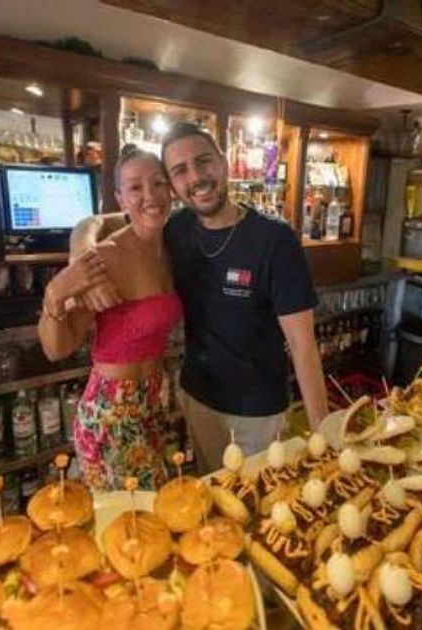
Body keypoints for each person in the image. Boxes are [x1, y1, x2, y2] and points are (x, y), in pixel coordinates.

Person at [72, 122, 328, 472]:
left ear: (223, 162)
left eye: (204, 161)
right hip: (198, 400)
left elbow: (303, 345)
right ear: (173, 186)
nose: (196, 177)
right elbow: (97, 222)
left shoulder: (275, 240)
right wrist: (81, 253)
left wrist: (323, 433)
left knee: (262, 499)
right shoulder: (175, 228)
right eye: (180, 170)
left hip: (258, 412)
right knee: (212, 498)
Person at [37, 144, 181, 490]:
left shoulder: (172, 244)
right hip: (111, 414)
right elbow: (56, 349)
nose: (150, 195)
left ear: (170, 189)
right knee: (138, 516)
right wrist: (54, 295)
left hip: (152, 404)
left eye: (158, 183)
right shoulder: (106, 258)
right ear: (120, 198)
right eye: (135, 187)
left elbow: (95, 221)